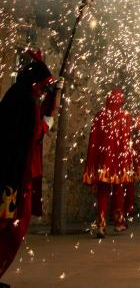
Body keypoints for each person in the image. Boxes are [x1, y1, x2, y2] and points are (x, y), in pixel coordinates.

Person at [0, 50, 62, 285]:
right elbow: (32, 134)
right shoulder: (24, 101)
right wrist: (46, 125)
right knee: (12, 231)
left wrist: (53, 96)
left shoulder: (17, 94)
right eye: (42, 86)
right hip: (13, 178)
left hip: (11, 174)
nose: (42, 91)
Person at [83, 88, 133, 238]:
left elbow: (94, 140)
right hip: (118, 162)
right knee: (118, 190)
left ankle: (101, 225)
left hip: (103, 161)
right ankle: (119, 223)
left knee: (102, 192)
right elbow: (126, 141)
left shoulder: (100, 115)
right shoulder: (125, 116)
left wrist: (94, 161)